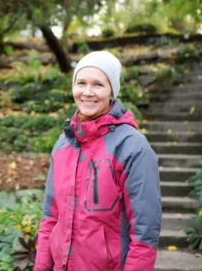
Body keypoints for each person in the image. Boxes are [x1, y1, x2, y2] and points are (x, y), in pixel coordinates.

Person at [34, 51, 162, 271]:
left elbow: (144, 231)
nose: (88, 92)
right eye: (81, 83)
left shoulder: (132, 147)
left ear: (112, 91)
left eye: (98, 85)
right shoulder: (63, 145)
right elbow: (50, 218)